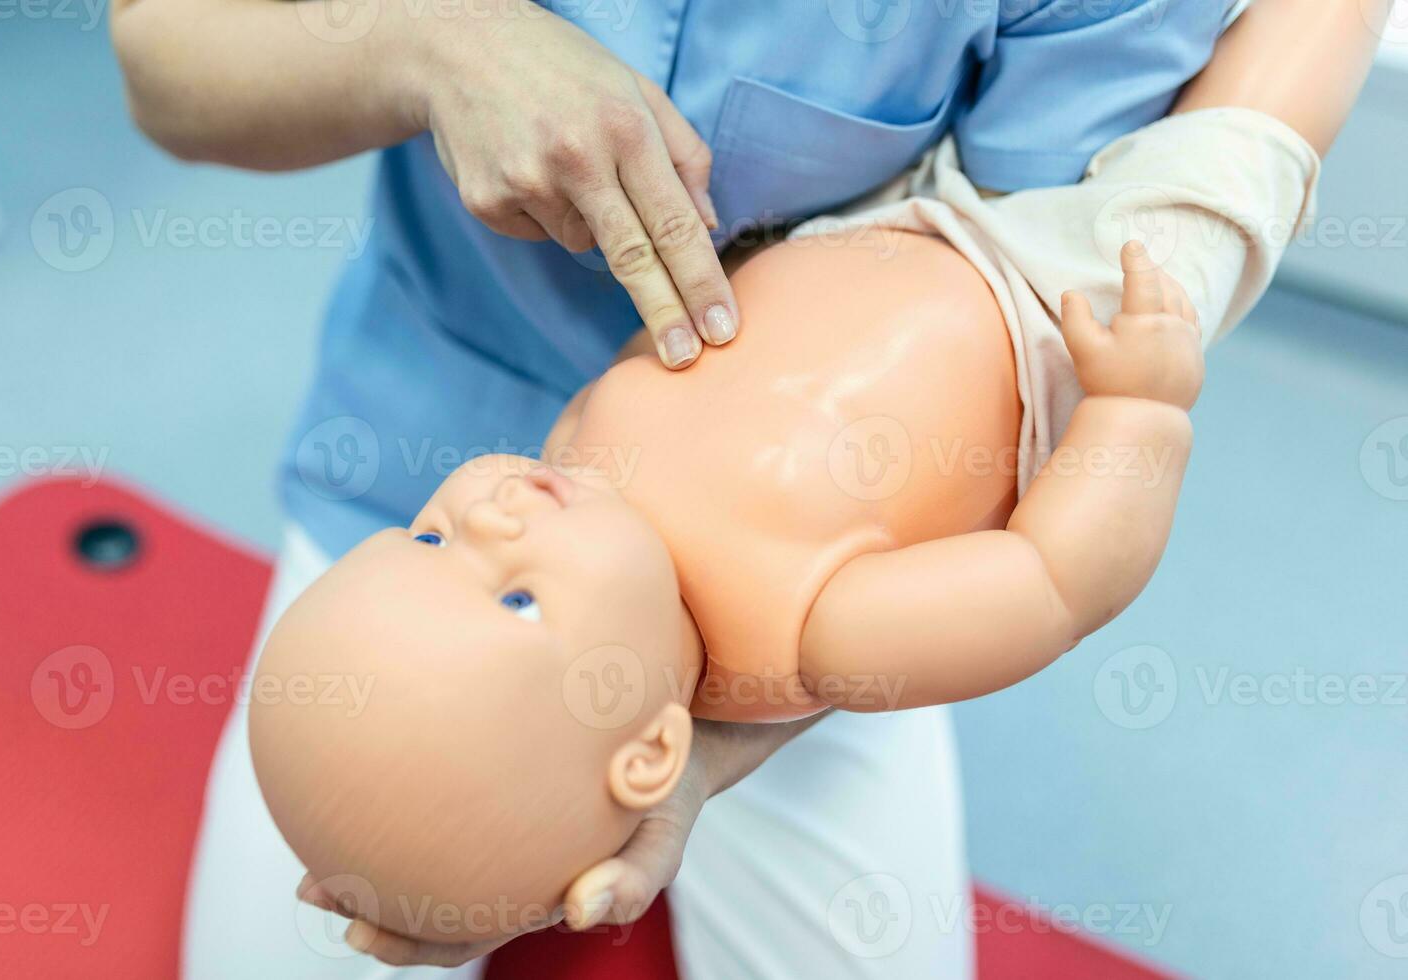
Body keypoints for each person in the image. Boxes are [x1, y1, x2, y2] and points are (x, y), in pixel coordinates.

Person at [108, 0, 1387, 975]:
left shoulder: (566, 476)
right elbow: (1056, 579)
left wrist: (709, 758)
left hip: (955, 222)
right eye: (489, 578)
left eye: (435, 530)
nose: (484, 511)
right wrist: (1142, 409)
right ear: (648, 739)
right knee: (1234, 161)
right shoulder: (822, 627)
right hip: (1066, 301)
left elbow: (1042, 164)